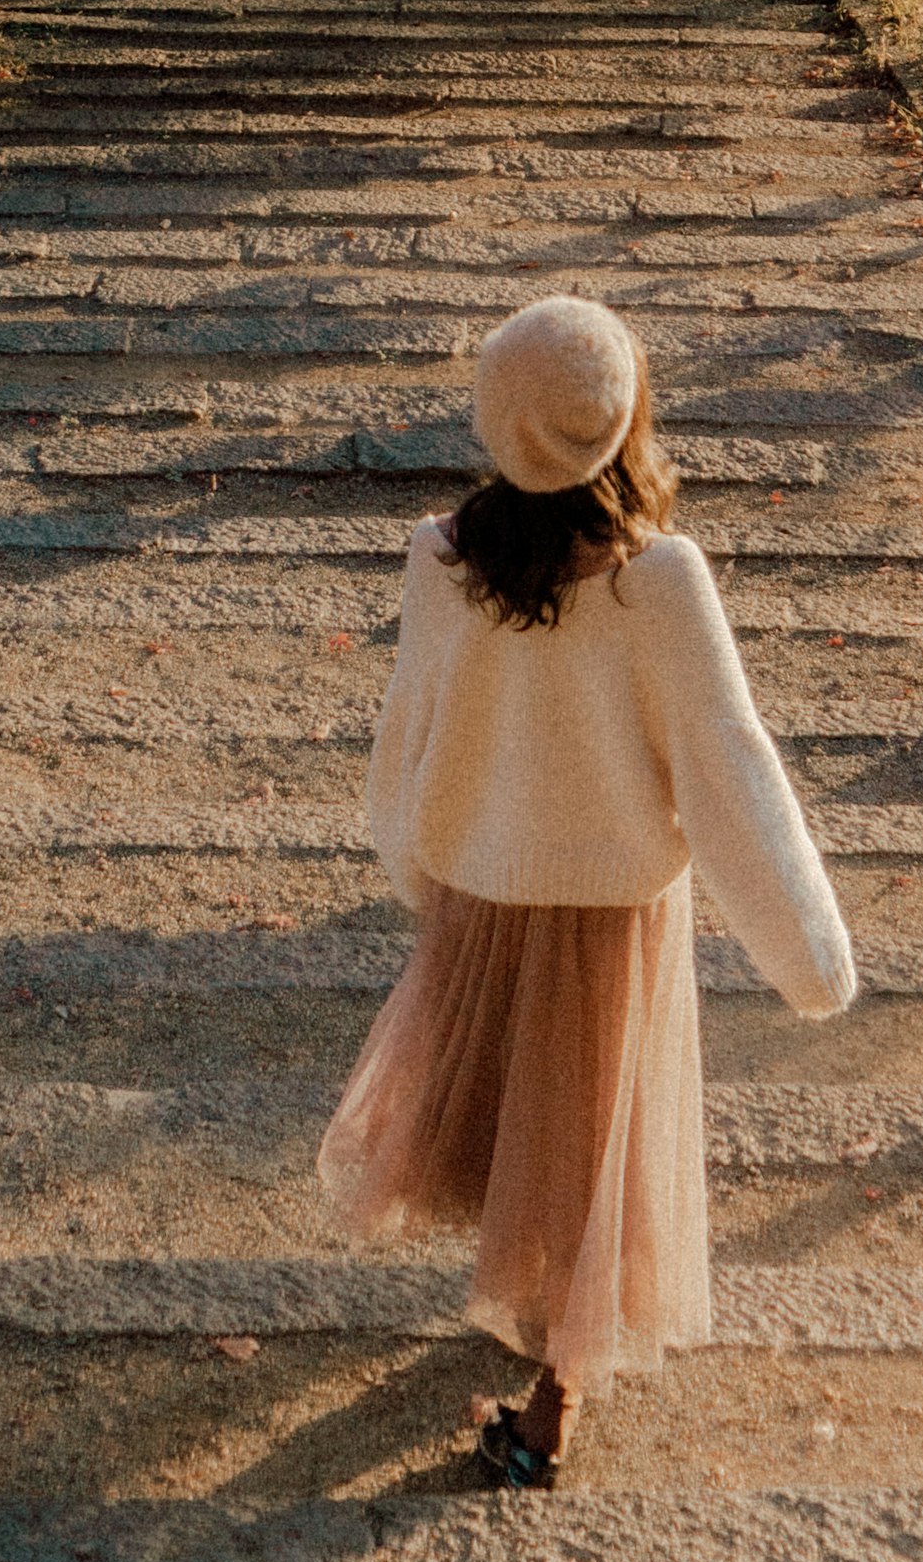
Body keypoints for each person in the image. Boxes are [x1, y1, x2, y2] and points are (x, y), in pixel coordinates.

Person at [318, 287, 858, 1487]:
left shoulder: (441, 559)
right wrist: (808, 956)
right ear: (625, 422)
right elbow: (732, 773)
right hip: (611, 918)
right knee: (592, 1148)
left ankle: (541, 1350)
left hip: (481, 893)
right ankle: (556, 1403)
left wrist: (413, 862)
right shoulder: (656, 579)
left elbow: (409, 733)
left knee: (514, 1115)